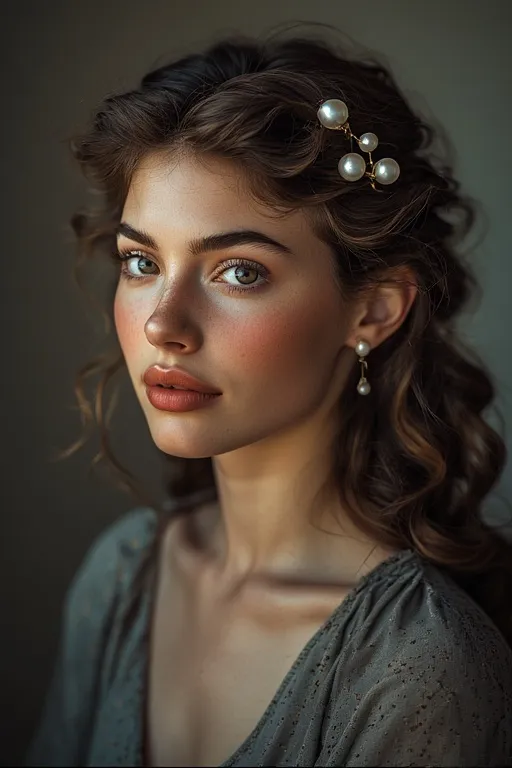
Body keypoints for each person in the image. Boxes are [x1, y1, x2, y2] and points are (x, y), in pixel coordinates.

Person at [25, 22, 512, 768]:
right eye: (140, 261)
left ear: (374, 309)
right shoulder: (120, 576)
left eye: (239, 272)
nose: (164, 322)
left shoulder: (420, 667)